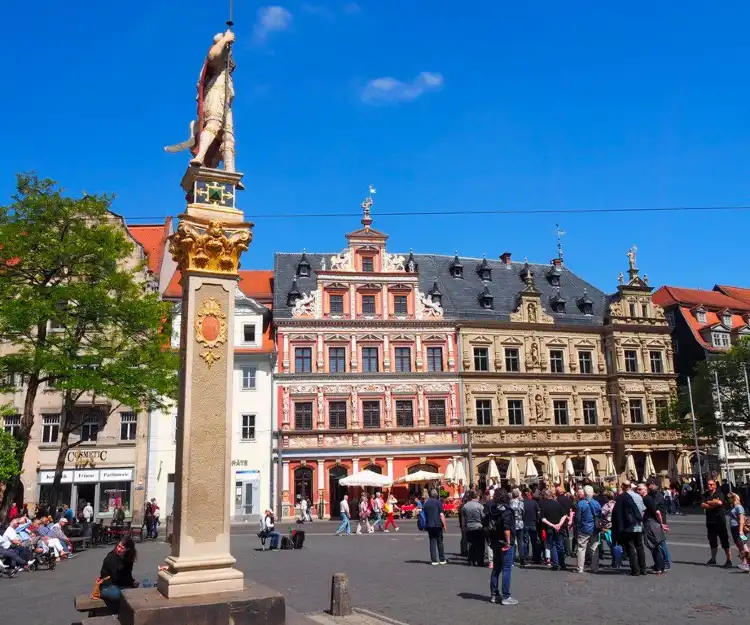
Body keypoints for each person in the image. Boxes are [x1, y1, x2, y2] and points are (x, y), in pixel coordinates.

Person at [485, 488, 518, 605]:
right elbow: (507, 528)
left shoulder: (492, 509)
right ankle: (506, 596)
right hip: (504, 542)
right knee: (507, 569)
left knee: (496, 568)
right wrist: (508, 542)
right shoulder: (507, 510)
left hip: (494, 541)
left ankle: (494, 594)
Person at [612, 480, 647, 576]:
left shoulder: (622, 497)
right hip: (638, 525)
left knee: (630, 547)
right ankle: (643, 568)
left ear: (623, 486)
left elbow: (617, 514)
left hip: (628, 526)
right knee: (639, 546)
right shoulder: (638, 496)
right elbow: (643, 510)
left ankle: (635, 570)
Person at [702, 478, 732, 567]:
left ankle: (728, 560)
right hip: (710, 522)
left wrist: (708, 503)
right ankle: (713, 559)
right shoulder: (705, 494)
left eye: (711, 484)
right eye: (708, 484)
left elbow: (719, 502)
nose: (709, 486)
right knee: (712, 541)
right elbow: (702, 504)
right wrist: (712, 504)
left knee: (724, 541)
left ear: (715, 485)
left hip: (720, 521)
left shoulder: (719, 493)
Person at [639, 483, 666, 575]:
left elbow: (657, 512)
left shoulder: (646, 499)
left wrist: (661, 523)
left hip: (651, 524)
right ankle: (661, 566)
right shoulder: (648, 498)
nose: (638, 491)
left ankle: (659, 567)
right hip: (652, 523)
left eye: (640, 489)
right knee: (655, 546)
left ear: (645, 490)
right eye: (638, 489)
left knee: (653, 546)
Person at [539, 489, 568, 571]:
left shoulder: (544, 506)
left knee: (552, 545)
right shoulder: (557, 504)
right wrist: (559, 524)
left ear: (545, 496)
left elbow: (543, 519)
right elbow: (564, 515)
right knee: (560, 545)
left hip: (550, 528)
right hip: (559, 528)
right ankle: (562, 564)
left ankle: (555, 564)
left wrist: (552, 525)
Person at [575, 485, 602, 574]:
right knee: (594, 547)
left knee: (581, 548)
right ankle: (594, 568)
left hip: (584, 528)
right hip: (595, 528)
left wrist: (578, 527)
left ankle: (580, 568)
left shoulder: (580, 503)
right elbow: (600, 516)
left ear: (584, 493)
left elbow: (578, 518)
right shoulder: (597, 503)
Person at [423, 489, 447, 565]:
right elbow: (441, 515)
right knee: (440, 542)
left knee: (432, 542)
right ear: (436, 495)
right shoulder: (438, 502)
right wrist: (445, 525)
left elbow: (425, 515)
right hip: (437, 524)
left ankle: (434, 560)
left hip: (429, 525)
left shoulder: (426, 503)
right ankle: (442, 559)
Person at [726, 492, 749, 571]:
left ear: (733, 498)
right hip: (734, 529)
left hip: (739, 529)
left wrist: (740, 530)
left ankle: (747, 563)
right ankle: (744, 562)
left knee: (743, 545)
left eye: (729, 498)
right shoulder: (733, 507)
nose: (728, 500)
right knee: (741, 545)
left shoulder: (739, 507)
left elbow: (742, 520)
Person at [462, 491, 485, 566]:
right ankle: (480, 561)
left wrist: (464, 526)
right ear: (477, 497)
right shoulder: (480, 506)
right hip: (479, 526)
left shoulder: (465, 506)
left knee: (471, 544)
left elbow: (464, 517)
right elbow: (483, 517)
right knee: (480, 544)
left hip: (469, 526)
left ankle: (471, 560)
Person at [520, 489, 541, 566]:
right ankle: (536, 557)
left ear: (523, 495)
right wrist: (537, 520)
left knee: (525, 541)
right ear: (530, 494)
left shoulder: (521, 503)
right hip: (533, 523)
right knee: (534, 541)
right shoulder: (534, 502)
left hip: (525, 523)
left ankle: (525, 557)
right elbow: (538, 512)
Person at [555, 486, 575, 557]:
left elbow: (560, 511)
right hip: (567, 519)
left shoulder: (557, 500)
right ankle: (568, 551)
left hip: (561, 519)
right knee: (567, 536)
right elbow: (571, 509)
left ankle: (564, 551)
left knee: (561, 536)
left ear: (557, 492)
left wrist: (566, 516)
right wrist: (570, 519)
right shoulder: (568, 499)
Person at [509, 488, 524, 562]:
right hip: (520, 523)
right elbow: (523, 512)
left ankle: (512, 558)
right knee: (520, 541)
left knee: (512, 541)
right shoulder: (521, 503)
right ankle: (522, 559)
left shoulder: (510, 503)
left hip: (512, 524)